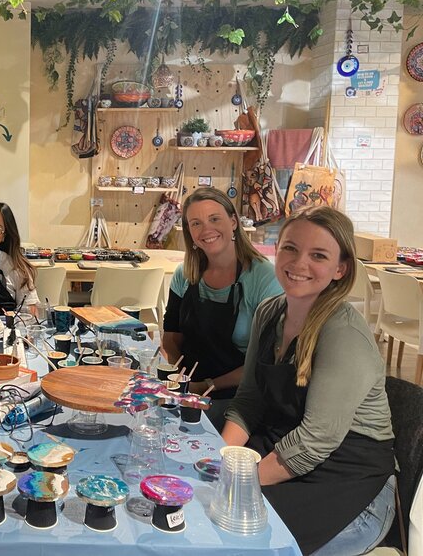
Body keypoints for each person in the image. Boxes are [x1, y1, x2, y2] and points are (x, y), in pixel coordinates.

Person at [223, 207, 395, 556]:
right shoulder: (270, 312)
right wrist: (221, 461)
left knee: (243, 542)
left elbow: (317, 440)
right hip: (286, 451)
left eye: (318, 255)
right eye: (290, 248)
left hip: (349, 484)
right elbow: (249, 401)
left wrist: (234, 483)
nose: (299, 263)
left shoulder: (343, 332)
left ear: (340, 269)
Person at [162, 187, 282, 429]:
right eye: (195, 223)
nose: (206, 230)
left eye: (214, 219)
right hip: (191, 388)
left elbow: (267, 360)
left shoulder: (263, 278)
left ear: (234, 222)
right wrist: (181, 380)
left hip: (240, 397)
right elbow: (171, 337)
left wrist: (205, 385)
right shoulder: (185, 274)